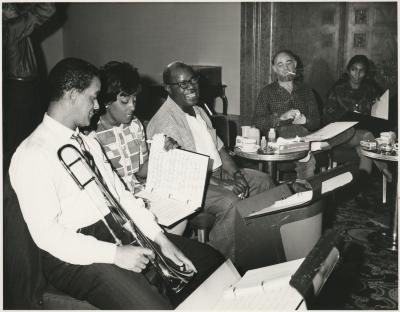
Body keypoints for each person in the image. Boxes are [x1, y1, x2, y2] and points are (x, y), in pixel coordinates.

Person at [9, 58, 224, 309]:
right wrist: (115, 255)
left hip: (117, 229)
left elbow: (122, 196)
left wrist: (160, 239)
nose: (98, 105)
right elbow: (47, 236)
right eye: (93, 97)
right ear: (71, 95)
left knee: (210, 261)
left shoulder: (87, 143)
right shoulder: (33, 153)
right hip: (74, 255)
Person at [147, 61, 275, 261]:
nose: (191, 87)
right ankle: (217, 262)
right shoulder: (166, 121)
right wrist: (224, 184)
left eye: (193, 80)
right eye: (182, 84)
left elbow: (220, 148)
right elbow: (184, 171)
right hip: (189, 185)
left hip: (216, 174)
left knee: (264, 182)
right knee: (230, 202)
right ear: (168, 89)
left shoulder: (198, 111)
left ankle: (254, 248)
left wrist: (237, 174)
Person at [89, 61, 186, 235]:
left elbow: (140, 172)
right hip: (115, 206)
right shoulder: (93, 135)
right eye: (125, 101)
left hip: (140, 195)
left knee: (179, 215)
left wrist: (162, 152)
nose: (132, 106)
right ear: (107, 101)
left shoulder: (135, 125)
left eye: (134, 100)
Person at [323, 55, 392, 203]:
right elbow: (327, 115)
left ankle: (360, 188)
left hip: (361, 136)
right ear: (348, 70)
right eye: (354, 70)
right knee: (366, 137)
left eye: (361, 71)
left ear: (365, 73)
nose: (357, 74)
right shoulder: (338, 89)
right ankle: (383, 167)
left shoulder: (370, 90)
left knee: (364, 148)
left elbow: (381, 114)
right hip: (340, 135)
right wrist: (345, 117)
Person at [253, 50, 321, 179]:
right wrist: (279, 118)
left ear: (295, 65)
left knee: (346, 132)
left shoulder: (306, 91)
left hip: (305, 135)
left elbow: (317, 121)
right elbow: (257, 122)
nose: (285, 68)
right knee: (297, 133)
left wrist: (305, 120)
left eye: (288, 63)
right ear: (274, 69)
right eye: (280, 65)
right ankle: (305, 187)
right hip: (278, 138)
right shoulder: (267, 92)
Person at [3, 3, 56, 168]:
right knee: (25, 137)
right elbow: (47, 8)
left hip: (18, 88)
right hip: (21, 91)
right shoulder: (11, 28)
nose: (13, 8)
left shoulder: (10, 27)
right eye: (7, 6)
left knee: (21, 135)